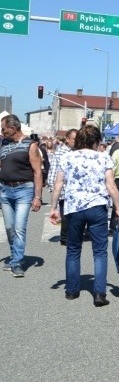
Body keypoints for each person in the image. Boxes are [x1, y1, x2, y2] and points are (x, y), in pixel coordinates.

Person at [49, 125, 119, 306]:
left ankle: (72, 290)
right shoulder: (104, 158)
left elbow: (58, 184)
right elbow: (111, 185)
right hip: (97, 207)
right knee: (100, 251)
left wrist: (53, 208)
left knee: (73, 249)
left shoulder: (67, 157)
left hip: (73, 207)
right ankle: (99, 293)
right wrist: (118, 208)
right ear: (96, 141)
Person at [0, 114, 44, 277]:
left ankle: (17, 262)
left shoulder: (30, 145)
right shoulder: (3, 143)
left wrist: (37, 197)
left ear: (13, 128)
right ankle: (14, 257)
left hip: (23, 190)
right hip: (4, 190)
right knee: (10, 228)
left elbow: (38, 172)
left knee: (19, 227)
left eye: (3, 128)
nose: (2, 131)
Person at [47, 129, 78, 246]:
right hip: (64, 189)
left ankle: (73, 235)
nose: (76, 142)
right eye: (74, 139)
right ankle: (65, 238)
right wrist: (52, 187)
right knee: (65, 215)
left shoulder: (78, 151)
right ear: (67, 139)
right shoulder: (61, 152)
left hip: (76, 190)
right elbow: (54, 170)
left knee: (74, 216)